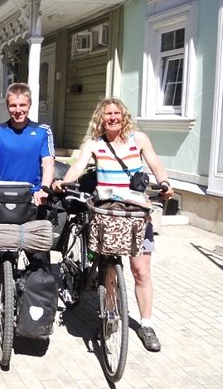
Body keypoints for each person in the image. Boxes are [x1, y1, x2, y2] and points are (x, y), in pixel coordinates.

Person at [52, 97, 174, 352]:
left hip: (136, 212)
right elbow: (78, 167)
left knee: (141, 270)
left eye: (116, 113)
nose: (113, 117)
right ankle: (109, 315)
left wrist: (165, 183)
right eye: (107, 113)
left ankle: (146, 324)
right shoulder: (94, 144)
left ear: (123, 115)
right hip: (106, 212)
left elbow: (155, 163)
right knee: (109, 268)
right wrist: (64, 182)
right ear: (101, 117)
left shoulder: (138, 139)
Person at [0, 82, 55, 207]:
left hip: (31, 198)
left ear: (29, 105)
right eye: (13, 105)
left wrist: (44, 189)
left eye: (22, 105)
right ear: (7, 106)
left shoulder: (43, 132)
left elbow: (48, 163)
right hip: (1, 197)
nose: (18, 110)